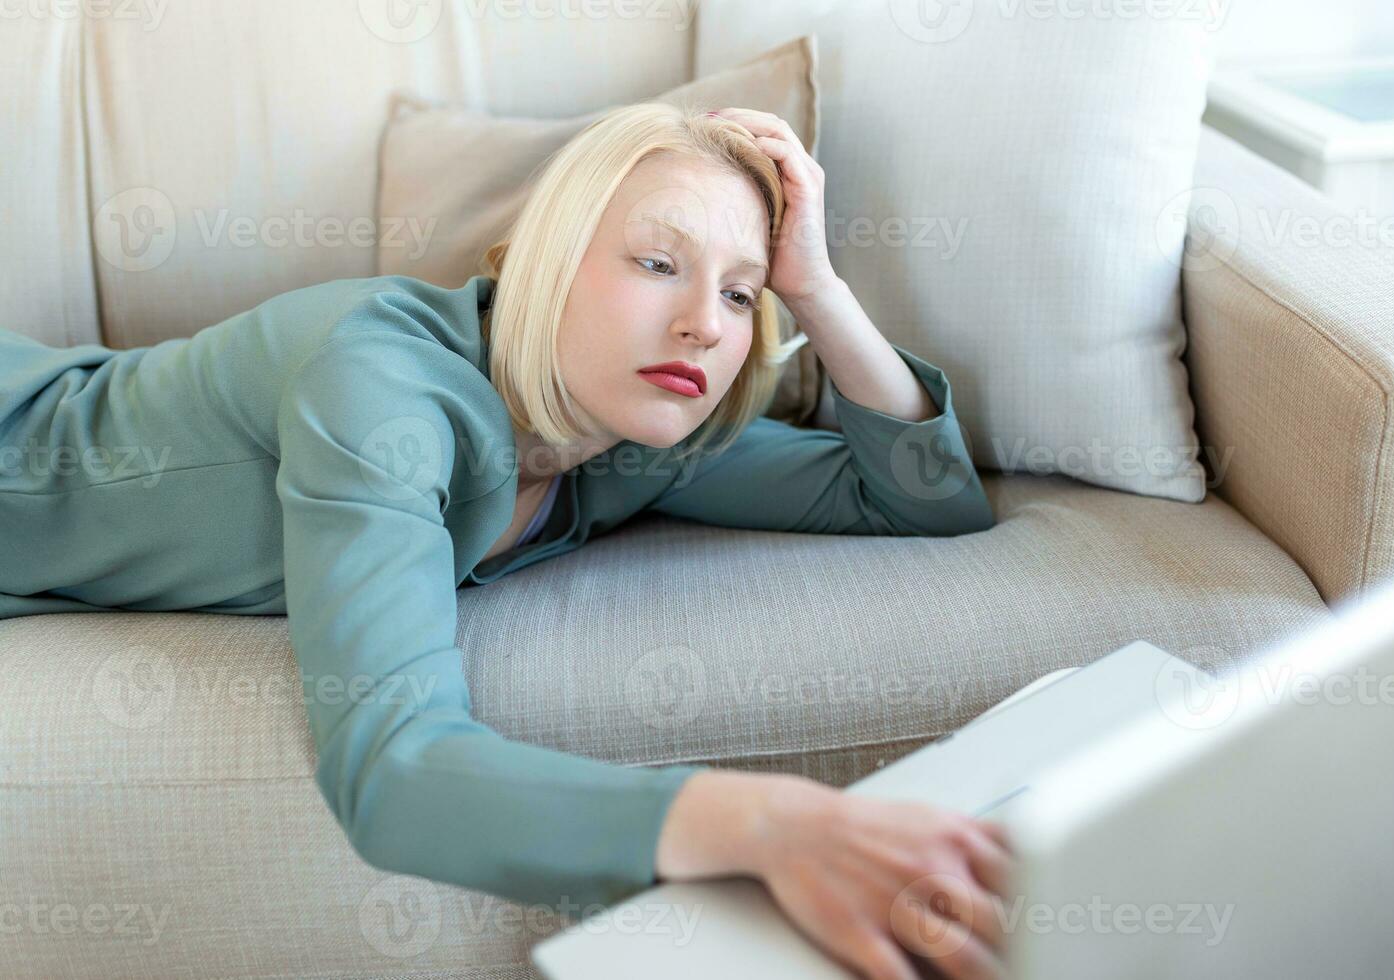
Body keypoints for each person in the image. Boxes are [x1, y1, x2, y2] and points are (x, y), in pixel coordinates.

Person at [0, 102, 1011, 979]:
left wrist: (821, 289)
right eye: (659, 263)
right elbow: (392, 772)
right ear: (546, 261)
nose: (706, 322)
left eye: (742, 292)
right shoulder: (379, 384)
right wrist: (769, 824)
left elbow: (921, 499)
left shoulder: (642, 431)